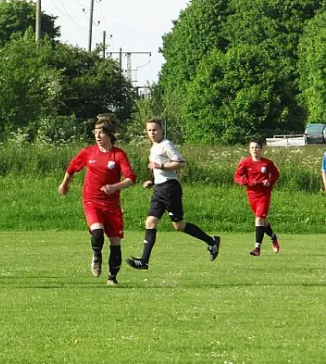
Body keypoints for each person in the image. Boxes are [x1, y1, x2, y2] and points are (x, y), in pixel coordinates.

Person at [125, 118, 220, 271]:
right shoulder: (154, 147)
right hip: (159, 189)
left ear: (161, 130)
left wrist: (160, 165)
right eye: (149, 130)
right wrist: (152, 180)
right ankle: (144, 261)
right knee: (150, 222)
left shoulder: (166, 145)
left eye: (155, 130)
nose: (152, 133)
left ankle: (211, 241)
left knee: (179, 225)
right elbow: (159, 171)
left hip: (170, 189)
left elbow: (180, 163)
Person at [58, 113, 136, 286]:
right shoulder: (88, 152)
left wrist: (114, 187)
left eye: (101, 133)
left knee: (115, 243)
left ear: (110, 135)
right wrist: (65, 183)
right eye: (96, 132)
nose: (98, 136)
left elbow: (131, 178)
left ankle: (112, 278)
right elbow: (72, 167)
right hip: (91, 201)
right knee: (98, 231)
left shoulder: (118, 155)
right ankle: (96, 256)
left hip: (112, 205)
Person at [234, 140, 280, 256]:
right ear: (249, 150)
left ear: (261, 149)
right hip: (252, 195)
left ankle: (257, 248)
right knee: (263, 222)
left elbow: (275, 174)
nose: (255, 150)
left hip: (264, 194)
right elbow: (237, 177)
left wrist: (269, 181)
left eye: (257, 147)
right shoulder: (245, 163)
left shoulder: (267, 163)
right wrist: (248, 182)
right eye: (252, 148)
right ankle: (273, 237)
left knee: (259, 218)